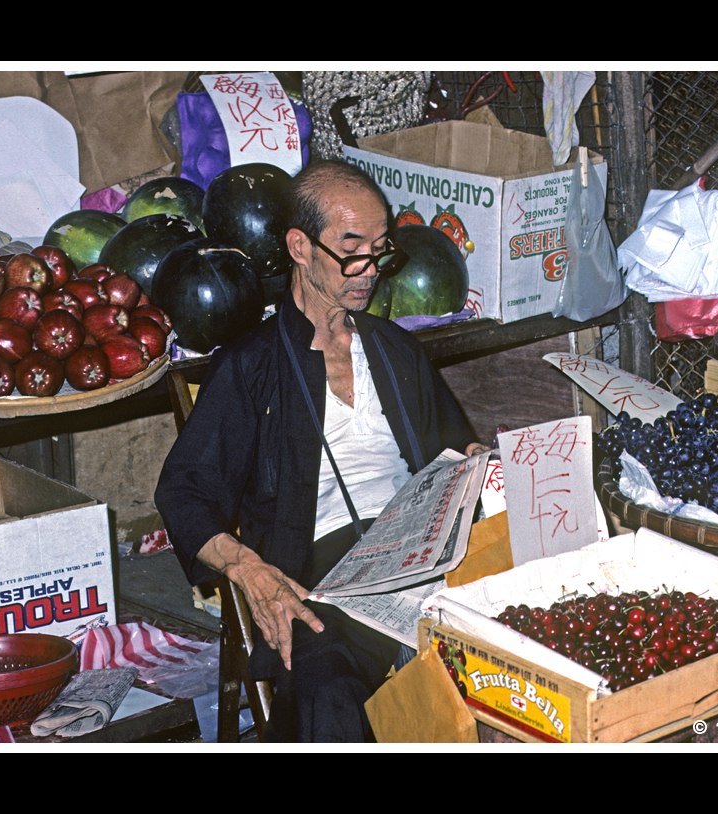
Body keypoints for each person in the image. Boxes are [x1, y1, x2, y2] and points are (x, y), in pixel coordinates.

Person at [155, 159, 484, 742]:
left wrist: (488, 467)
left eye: (381, 250)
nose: (370, 271)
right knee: (322, 689)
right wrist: (249, 570)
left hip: (422, 554)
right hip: (318, 574)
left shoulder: (394, 349)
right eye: (352, 249)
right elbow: (184, 491)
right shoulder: (251, 365)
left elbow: (456, 454)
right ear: (300, 247)